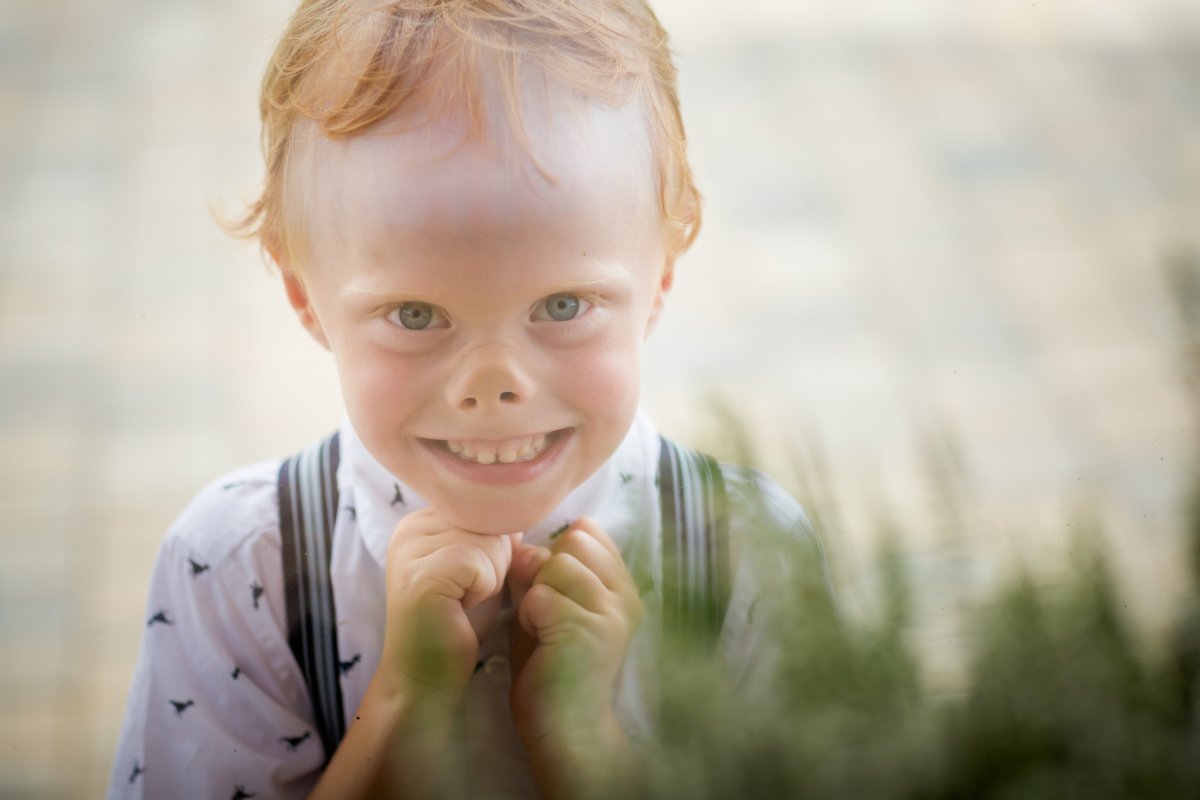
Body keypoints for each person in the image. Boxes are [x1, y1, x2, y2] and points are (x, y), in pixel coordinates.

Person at [108, 1, 828, 797]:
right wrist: (403, 704)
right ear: (305, 296)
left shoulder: (748, 557)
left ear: (660, 276)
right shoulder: (239, 568)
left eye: (561, 306)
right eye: (416, 315)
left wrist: (581, 739)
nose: (495, 383)